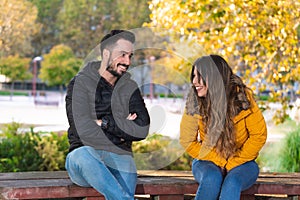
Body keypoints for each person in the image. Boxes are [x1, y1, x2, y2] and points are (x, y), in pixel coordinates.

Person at [65, 30, 150, 200]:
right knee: (84, 153)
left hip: (119, 157)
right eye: (122, 55)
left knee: (123, 176)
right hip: (83, 160)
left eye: (130, 56)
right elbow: (83, 129)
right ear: (106, 53)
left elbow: (142, 128)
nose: (127, 62)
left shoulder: (129, 86)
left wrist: (103, 122)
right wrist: (121, 128)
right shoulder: (80, 83)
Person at [180, 55, 267, 200]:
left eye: (200, 76)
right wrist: (220, 162)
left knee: (232, 182)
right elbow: (187, 141)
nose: (194, 81)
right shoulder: (194, 102)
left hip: (243, 162)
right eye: (193, 76)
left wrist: (232, 163)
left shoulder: (243, 99)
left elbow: (259, 136)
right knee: (211, 178)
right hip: (207, 161)